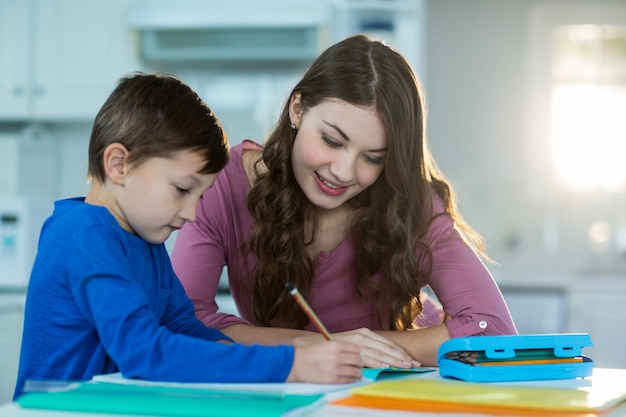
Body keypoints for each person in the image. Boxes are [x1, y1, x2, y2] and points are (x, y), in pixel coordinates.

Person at [171, 35, 517, 368]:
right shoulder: (224, 186)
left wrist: (360, 349)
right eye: (332, 141)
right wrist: (329, 347)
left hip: (395, 378)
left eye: (373, 158)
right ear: (297, 109)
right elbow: (182, 323)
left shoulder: (410, 202)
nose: (343, 171)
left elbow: (493, 330)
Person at [13, 73, 363, 400]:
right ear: (119, 165)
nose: (191, 213)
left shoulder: (145, 241)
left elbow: (181, 325)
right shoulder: (83, 236)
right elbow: (144, 352)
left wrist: (261, 357)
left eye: (200, 196)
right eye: (182, 189)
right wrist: (288, 366)